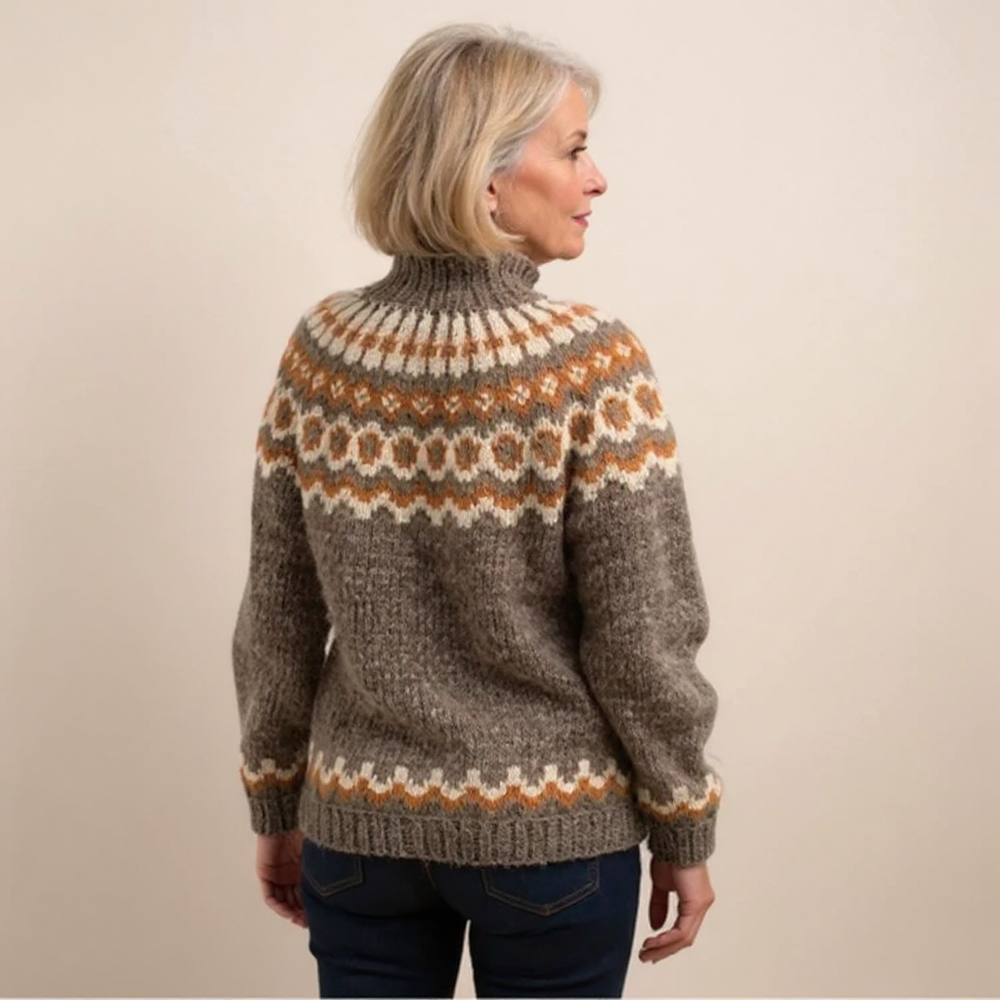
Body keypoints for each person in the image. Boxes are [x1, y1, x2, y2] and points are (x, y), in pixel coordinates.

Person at [232, 22, 721, 999]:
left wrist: (277, 799)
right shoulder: (591, 365)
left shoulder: (321, 351)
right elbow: (643, 634)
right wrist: (683, 821)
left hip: (357, 827)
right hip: (552, 836)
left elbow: (277, 612)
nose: (596, 180)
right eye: (573, 151)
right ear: (485, 178)